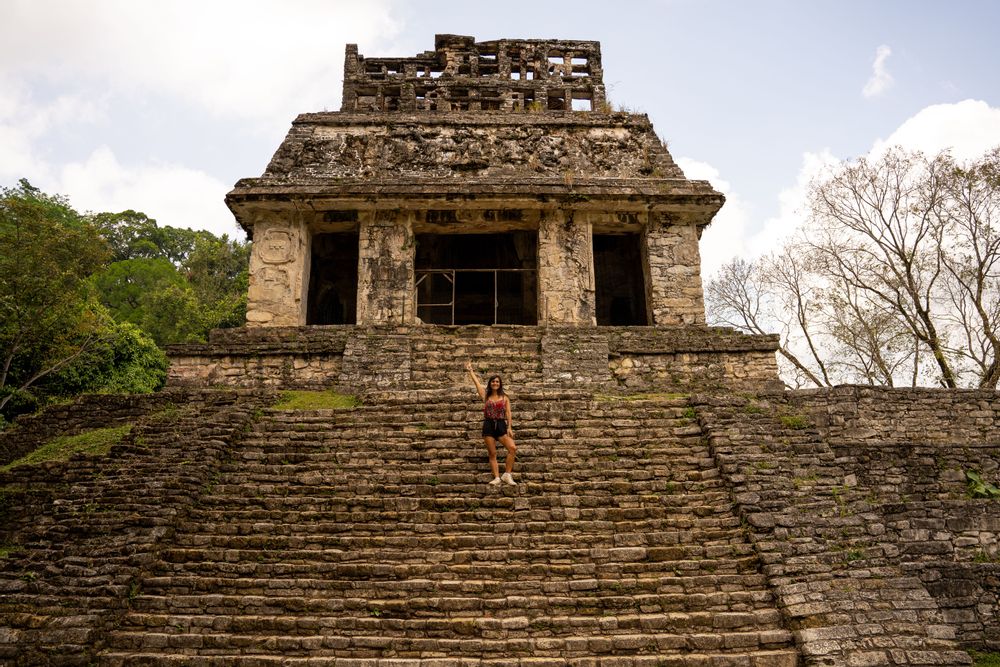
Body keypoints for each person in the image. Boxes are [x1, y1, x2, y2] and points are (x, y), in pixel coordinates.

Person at [465, 361, 517, 486]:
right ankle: (497, 477)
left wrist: (509, 427)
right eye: (493, 381)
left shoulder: (505, 397)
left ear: (500, 384)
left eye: (497, 382)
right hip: (488, 425)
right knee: (492, 453)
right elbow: (477, 383)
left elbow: (508, 413)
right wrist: (470, 371)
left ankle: (507, 475)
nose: (495, 383)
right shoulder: (485, 395)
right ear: (490, 383)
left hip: (500, 425)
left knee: (512, 448)